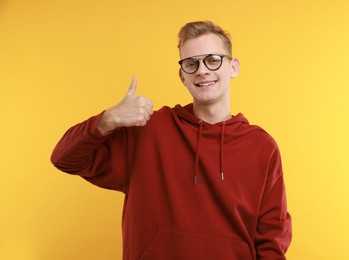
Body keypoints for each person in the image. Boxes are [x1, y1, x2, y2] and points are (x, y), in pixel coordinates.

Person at [51, 20, 292, 260]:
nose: (202, 70)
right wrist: (108, 120)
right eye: (191, 63)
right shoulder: (149, 129)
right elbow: (65, 158)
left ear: (233, 67)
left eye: (213, 59)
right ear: (182, 76)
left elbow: (271, 237)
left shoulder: (261, 146)